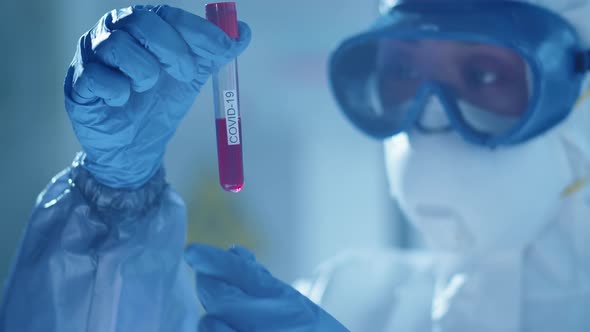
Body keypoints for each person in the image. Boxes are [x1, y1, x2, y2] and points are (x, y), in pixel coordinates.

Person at [1, 0, 590, 331]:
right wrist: (111, 207)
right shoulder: (353, 300)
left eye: (484, 78)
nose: (428, 121)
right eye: (401, 75)